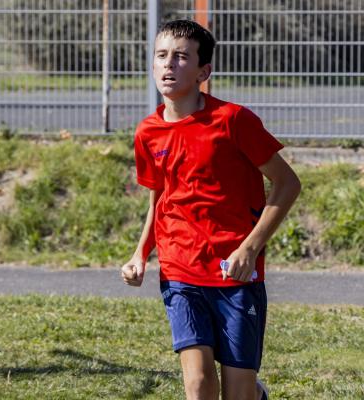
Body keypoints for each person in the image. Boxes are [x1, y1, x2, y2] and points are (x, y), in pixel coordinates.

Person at [121, 19, 301, 400]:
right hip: (180, 269)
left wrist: (249, 248)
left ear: (204, 72)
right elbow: (159, 197)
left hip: (235, 272)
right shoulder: (147, 132)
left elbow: (288, 184)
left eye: (181, 57)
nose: (169, 64)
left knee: (238, 393)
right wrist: (140, 253)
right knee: (199, 382)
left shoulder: (233, 121)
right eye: (161, 55)